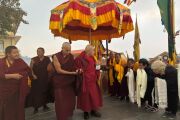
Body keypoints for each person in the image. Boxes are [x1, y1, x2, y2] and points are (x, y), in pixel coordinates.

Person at [0, 46, 32, 120]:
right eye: (14, 53)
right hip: (5, 92)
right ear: (8, 54)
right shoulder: (1, 62)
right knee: (7, 110)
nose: (17, 54)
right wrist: (13, 76)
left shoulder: (20, 61)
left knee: (18, 109)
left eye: (18, 52)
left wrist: (27, 75)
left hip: (18, 91)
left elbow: (28, 70)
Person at [75, 45, 102, 120]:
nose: (94, 52)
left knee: (94, 96)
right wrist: (79, 70)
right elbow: (76, 67)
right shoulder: (80, 58)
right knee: (85, 98)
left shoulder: (92, 58)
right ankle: (86, 112)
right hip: (85, 81)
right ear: (89, 51)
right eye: (93, 50)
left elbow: (95, 67)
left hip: (93, 80)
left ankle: (93, 110)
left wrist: (98, 67)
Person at [52, 42, 78, 120]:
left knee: (70, 99)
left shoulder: (71, 56)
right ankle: (61, 116)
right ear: (62, 48)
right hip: (59, 81)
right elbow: (58, 70)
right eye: (67, 50)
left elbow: (73, 67)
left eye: (69, 50)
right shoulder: (56, 56)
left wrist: (77, 70)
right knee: (60, 100)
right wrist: (72, 73)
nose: (68, 52)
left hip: (69, 82)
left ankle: (68, 113)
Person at [27, 47, 52, 114]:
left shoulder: (47, 58)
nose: (38, 53)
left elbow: (50, 67)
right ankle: (36, 108)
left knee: (44, 92)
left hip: (44, 78)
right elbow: (30, 68)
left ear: (43, 52)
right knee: (36, 93)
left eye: (40, 51)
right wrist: (33, 75)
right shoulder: (33, 59)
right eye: (37, 51)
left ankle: (44, 105)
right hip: (36, 79)